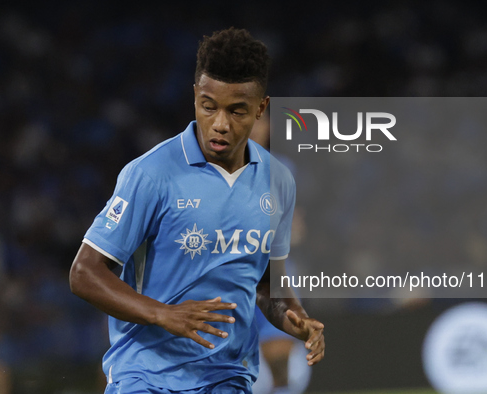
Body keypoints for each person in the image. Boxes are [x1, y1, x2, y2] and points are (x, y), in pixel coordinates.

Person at [69, 27, 324, 393]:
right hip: (147, 377)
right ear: (195, 97)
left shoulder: (278, 180)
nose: (220, 124)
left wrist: (294, 317)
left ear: (261, 108)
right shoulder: (151, 174)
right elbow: (83, 273)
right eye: (209, 106)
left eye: (237, 111)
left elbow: (267, 282)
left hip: (227, 377)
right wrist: (164, 314)